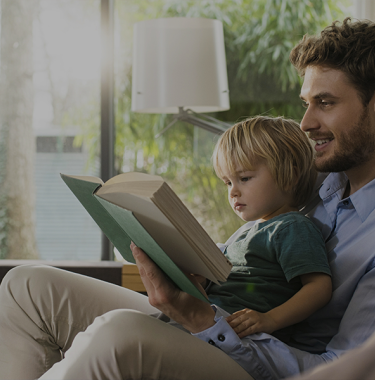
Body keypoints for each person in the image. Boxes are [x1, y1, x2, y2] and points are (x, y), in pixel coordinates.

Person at [1, 16, 375, 380]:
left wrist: (204, 322)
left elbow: (338, 371)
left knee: (119, 334)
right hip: (217, 315)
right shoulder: (318, 173)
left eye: (325, 103)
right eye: (306, 102)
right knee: (28, 287)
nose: (306, 123)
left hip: (260, 352)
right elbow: (258, 254)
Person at [207, 116, 332, 342]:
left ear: (289, 175)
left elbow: (319, 287)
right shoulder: (249, 230)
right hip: (211, 320)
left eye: (244, 178)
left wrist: (270, 319)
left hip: (236, 335)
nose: (232, 192)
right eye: (228, 182)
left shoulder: (292, 228)